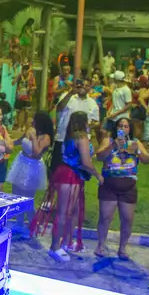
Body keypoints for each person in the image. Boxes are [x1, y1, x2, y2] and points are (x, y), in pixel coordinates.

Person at [37, 112, 101, 261]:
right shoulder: (81, 137)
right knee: (63, 212)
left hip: (71, 174)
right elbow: (86, 162)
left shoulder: (70, 136)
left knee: (74, 211)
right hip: (70, 176)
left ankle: (67, 242)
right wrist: (98, 175)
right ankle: (54, 247)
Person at [94, 118, 149, 259]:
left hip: (128, 187)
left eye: (126, 126)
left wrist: (137, 151)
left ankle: (122, 248)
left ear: (129, 129)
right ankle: (101, 245)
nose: (123, 128)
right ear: (116, 128)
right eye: (120, 126)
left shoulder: (135, 142)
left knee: (127, 219)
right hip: (109, 185)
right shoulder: (109, 140)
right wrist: (113, 146)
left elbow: (147, 160)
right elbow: (99, 156)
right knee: (105, 217)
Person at [7, 112, 54, 236]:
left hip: (33, 167)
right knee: (16, 196)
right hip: (21, 163)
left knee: (28, 199)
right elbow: (18, 141)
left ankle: (33, 226)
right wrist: (6, 141)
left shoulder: (45, 137)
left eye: (34, 120)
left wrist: (33, 138)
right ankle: (19, 223)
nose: (31, 122)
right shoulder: (30, 130)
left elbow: (37, 152)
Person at [51, 80, 99, 172]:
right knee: (57, 170)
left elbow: (96, 121)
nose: (83, 87)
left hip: (81, 142)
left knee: (77, 172)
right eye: (81, 85)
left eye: (87, 85)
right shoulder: (67, 96)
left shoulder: (93, 103)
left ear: (90, 88)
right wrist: (71, 93)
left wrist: (89, 126)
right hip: (63, 139)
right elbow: (59, 108)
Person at [105, 71, 132, 136]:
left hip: (121, 118)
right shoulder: (116, 88)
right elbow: (114, 101)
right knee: (109, 134)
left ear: (116, 79)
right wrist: (109, 111)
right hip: (113, 116)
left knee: (120, 136)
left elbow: (129, 105)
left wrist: (116, 114)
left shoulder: (126, 90)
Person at [14, 64, 36, 132]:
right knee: (18, 112)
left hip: (27, 97)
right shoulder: (19, 76)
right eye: (25, 71)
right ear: (23, 70)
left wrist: (31, 88)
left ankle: (23, 125)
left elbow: (35, 86)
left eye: (28, 71)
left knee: (26, 112)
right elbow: (13, 83)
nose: (27, 72)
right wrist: (17, 77)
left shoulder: (31, 77)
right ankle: (19, 125)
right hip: (19, 97)